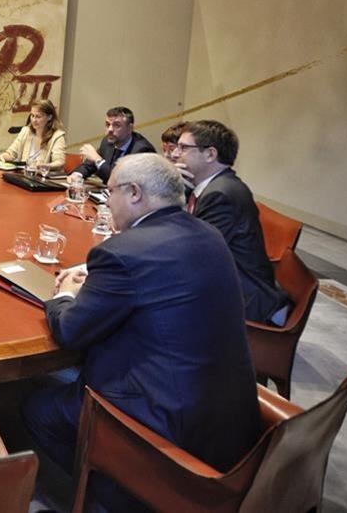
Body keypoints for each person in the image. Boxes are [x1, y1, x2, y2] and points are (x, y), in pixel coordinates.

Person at [22, 154, 261, 511]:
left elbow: (71, 331)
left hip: (166, 431)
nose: (107, 199)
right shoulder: (207, 234)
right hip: (231, 423)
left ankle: (117, 491)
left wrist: (65, 295)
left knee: (35, 409)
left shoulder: (122, 252)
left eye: (110, 191)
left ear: (134, 193)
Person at [174, 120, 290, 324]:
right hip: (231, 286)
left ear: (210, 154)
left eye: (183, 147)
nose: (174, 154)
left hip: (247, 302)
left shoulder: (220, 195)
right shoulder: (212, 186)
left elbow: (192, 258)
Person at [70, 106, 155, 183]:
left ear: (130, 128)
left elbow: (119, 181)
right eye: (107, 124)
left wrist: (97, 159)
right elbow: (89, 165)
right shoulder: (108, 142)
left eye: (116, 125)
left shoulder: (142, 150)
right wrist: (77, 175)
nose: (110, 129)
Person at [0, 100, 66, 171]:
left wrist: (46, 166)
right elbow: (12, 153)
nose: (34, 120)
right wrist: (1, 157)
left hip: (41, 178)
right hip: (23, 176)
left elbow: (59, 162)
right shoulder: (26, 131)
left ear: (49, 117)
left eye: (38, 117)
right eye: (32, 115)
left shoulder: (57, 136)